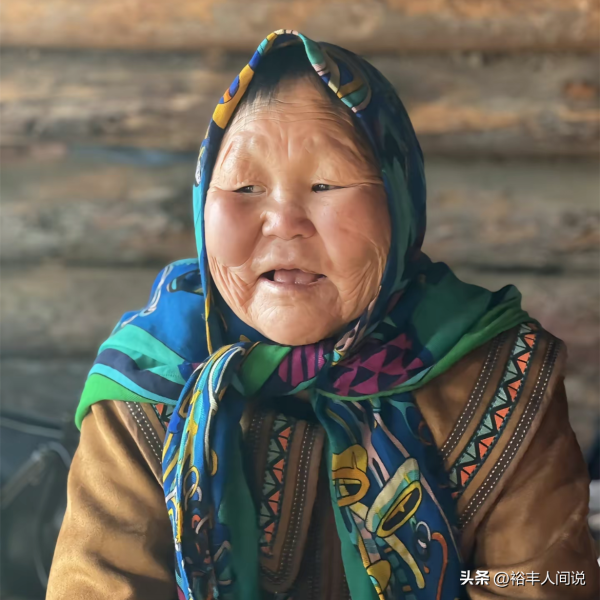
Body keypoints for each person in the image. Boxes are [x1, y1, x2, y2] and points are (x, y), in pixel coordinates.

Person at [46, 30, 600, 600]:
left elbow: (544, 584)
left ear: (398, 202)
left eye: (325, 183)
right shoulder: (149, 382)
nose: (283, 221)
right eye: (244, 185)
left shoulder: (498, 374)